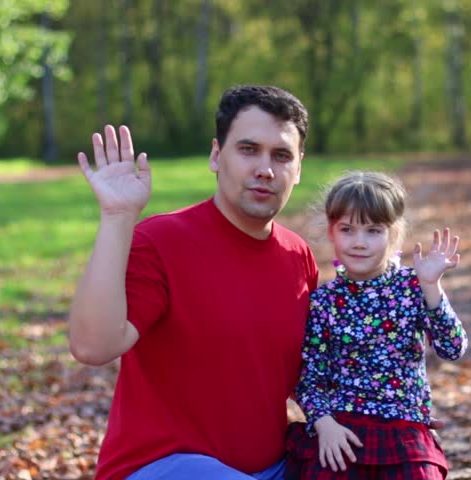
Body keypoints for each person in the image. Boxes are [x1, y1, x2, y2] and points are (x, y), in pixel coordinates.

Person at [68, 85, 318, 480]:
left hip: (271, 468)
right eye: (248, 149)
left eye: (281, 155)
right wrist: (117, 216)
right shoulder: (162, 242)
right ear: (217, 156)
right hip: (162, 466)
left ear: (299, 167)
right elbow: (92, 345)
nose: (265, 169)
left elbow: (312, 373)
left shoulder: (297, 255)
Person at [285, 171, 468, 479]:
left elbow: (452, 348)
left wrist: (431, 288)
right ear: (331, 232)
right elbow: (309, 376)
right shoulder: (323, 301)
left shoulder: (413, 286)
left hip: (403, 429)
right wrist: (323, 423)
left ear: (393, 234)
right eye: (347, 229)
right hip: (341, 426)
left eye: (373, 231)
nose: (359, 242)